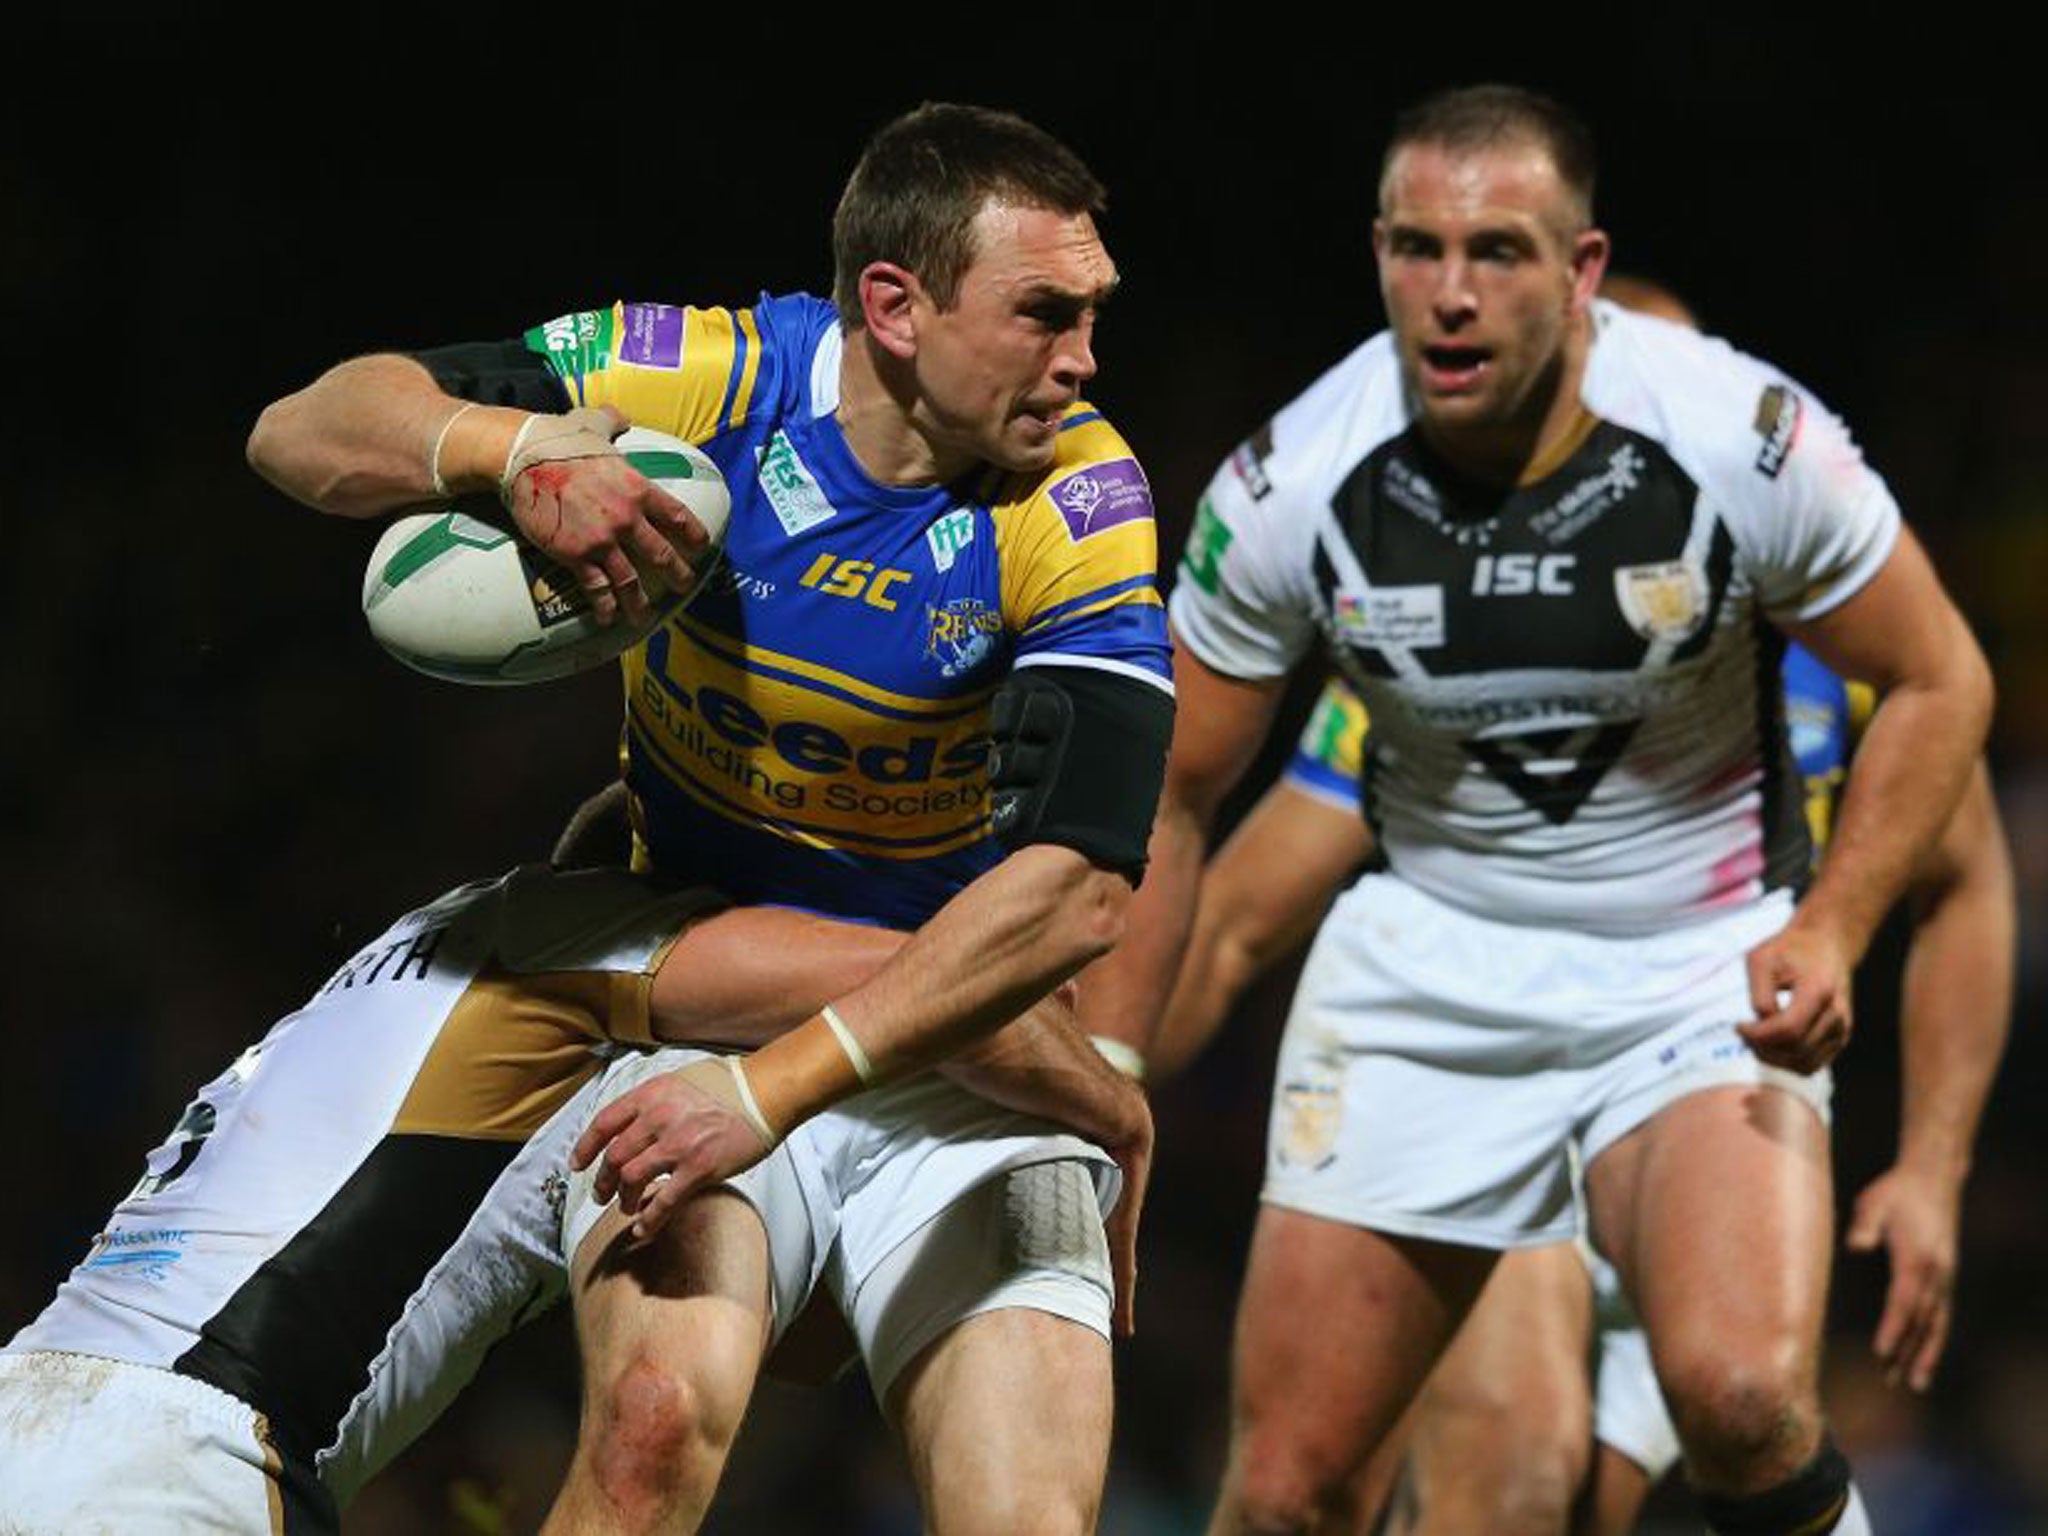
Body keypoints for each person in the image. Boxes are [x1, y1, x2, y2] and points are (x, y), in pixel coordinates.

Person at [248, 102, 1173, 1535]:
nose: (1086, 361)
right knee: (647, 1428)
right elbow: (299, 428)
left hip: (961, 1046)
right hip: (691, 1009)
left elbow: (1081, 895)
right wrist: (511, 456)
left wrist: (777, 1090)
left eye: (1096, 314)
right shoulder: (712, 377)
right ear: (896, 306)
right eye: (1046, 313)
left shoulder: (1084, 493)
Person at [1082, 84, 1994, 1536]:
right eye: (1415, 248)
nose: (1449, 295)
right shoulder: (1296, 478)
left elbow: (1945, 680)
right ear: (1375, 251)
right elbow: (1178, 801)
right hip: (1428, 969)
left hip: (1691, 968)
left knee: (1745, 1399)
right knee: (1288, 1492)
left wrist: (1833, 931)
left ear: (1580, 270)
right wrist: (1109, 1066)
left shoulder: (1740, 437)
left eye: (1498, 251)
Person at [0, 862, 1146, 1533]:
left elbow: (785, 1349)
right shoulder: (567, 941)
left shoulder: (374, 988)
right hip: (178, 1462)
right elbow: (926, 991)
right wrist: (1114, 1104)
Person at [1158, 655, 2013, 1534]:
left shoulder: (1833, 609)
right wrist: (1097, 1088)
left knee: (1713, 1435)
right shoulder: (1440, 626)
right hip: (1524, 1102)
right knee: (1512, 1470)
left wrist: (1933, 1167)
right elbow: (1234, 920)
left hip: (1714, 1102)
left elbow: (1965, 880)